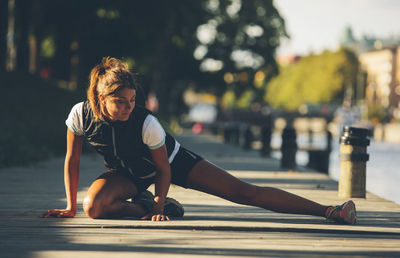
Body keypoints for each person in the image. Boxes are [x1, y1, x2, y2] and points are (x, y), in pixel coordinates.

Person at [41, 57, 357, 224]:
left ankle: (329, 211)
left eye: (132, 100)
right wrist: (69, 207)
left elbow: (163, 170)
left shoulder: (146, 122)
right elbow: (72, 160)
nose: (128, 108)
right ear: (101, 97)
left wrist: (160, 206)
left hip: (171, 162)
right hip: (126, 174)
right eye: (120, 102)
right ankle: (141, 205)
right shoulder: (80, 115)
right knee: (92, 207)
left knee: (244, 192)